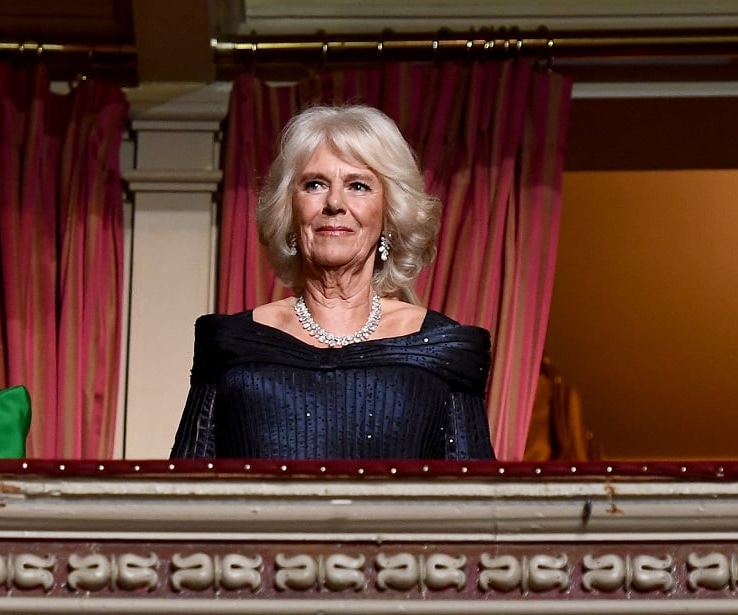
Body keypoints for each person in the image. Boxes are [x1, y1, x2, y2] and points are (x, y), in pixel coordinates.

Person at [171, 104, 495, 460]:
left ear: (389, 213)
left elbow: (476, 505)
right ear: (289, 210)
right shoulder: (231, 346)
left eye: (358, 185)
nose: (335, 203)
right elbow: (184, 496)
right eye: (314, 184)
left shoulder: (441, 351)